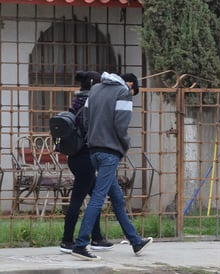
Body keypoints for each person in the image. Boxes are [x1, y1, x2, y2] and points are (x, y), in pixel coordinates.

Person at [71, 72, 152, 260]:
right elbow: (121, 125)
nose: (131, 93)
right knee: (98, 197)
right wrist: (124, 145)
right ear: (130, 84)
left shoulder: (95, 89)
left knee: (116, 198)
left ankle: (135, 241)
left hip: (93, 151)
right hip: (110, 152)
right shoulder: (122, 92)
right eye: (133, 90)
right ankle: (81, 244)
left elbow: (87, 119)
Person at [60, 71, 114, 254]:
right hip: (84, 157)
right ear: (94, 85)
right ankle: (67, 241)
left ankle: (97, 238)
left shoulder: (76, 103)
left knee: (95, 198)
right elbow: (90, 130)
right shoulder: (89, 104)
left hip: (76, 157)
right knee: (77, 199)